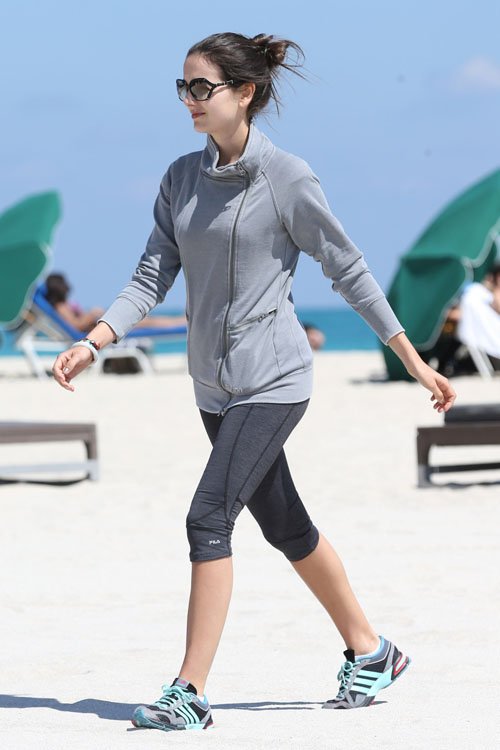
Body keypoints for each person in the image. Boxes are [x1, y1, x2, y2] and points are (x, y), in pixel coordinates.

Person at [52, 32, 456, 733]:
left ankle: (190, 692)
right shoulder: (180, 178)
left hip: (274, 379)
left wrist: (413, 357)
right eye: (183, 87)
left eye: (201, 87)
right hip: (212, 386)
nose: (189, 100)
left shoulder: (288, 178)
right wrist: (95, 340)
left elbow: (348, 269)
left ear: (245, 93)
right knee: (286, 524)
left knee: (208, 518)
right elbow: (152, 274)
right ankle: (372, 649)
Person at [44, 272, 186, 332]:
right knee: (148, 322)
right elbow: (76, 325)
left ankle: (181, 321)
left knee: (147, 321)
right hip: (100, 328)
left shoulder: (63, 305)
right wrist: (91, 314)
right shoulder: (60, 307)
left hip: (100, 324)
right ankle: (180, 322)